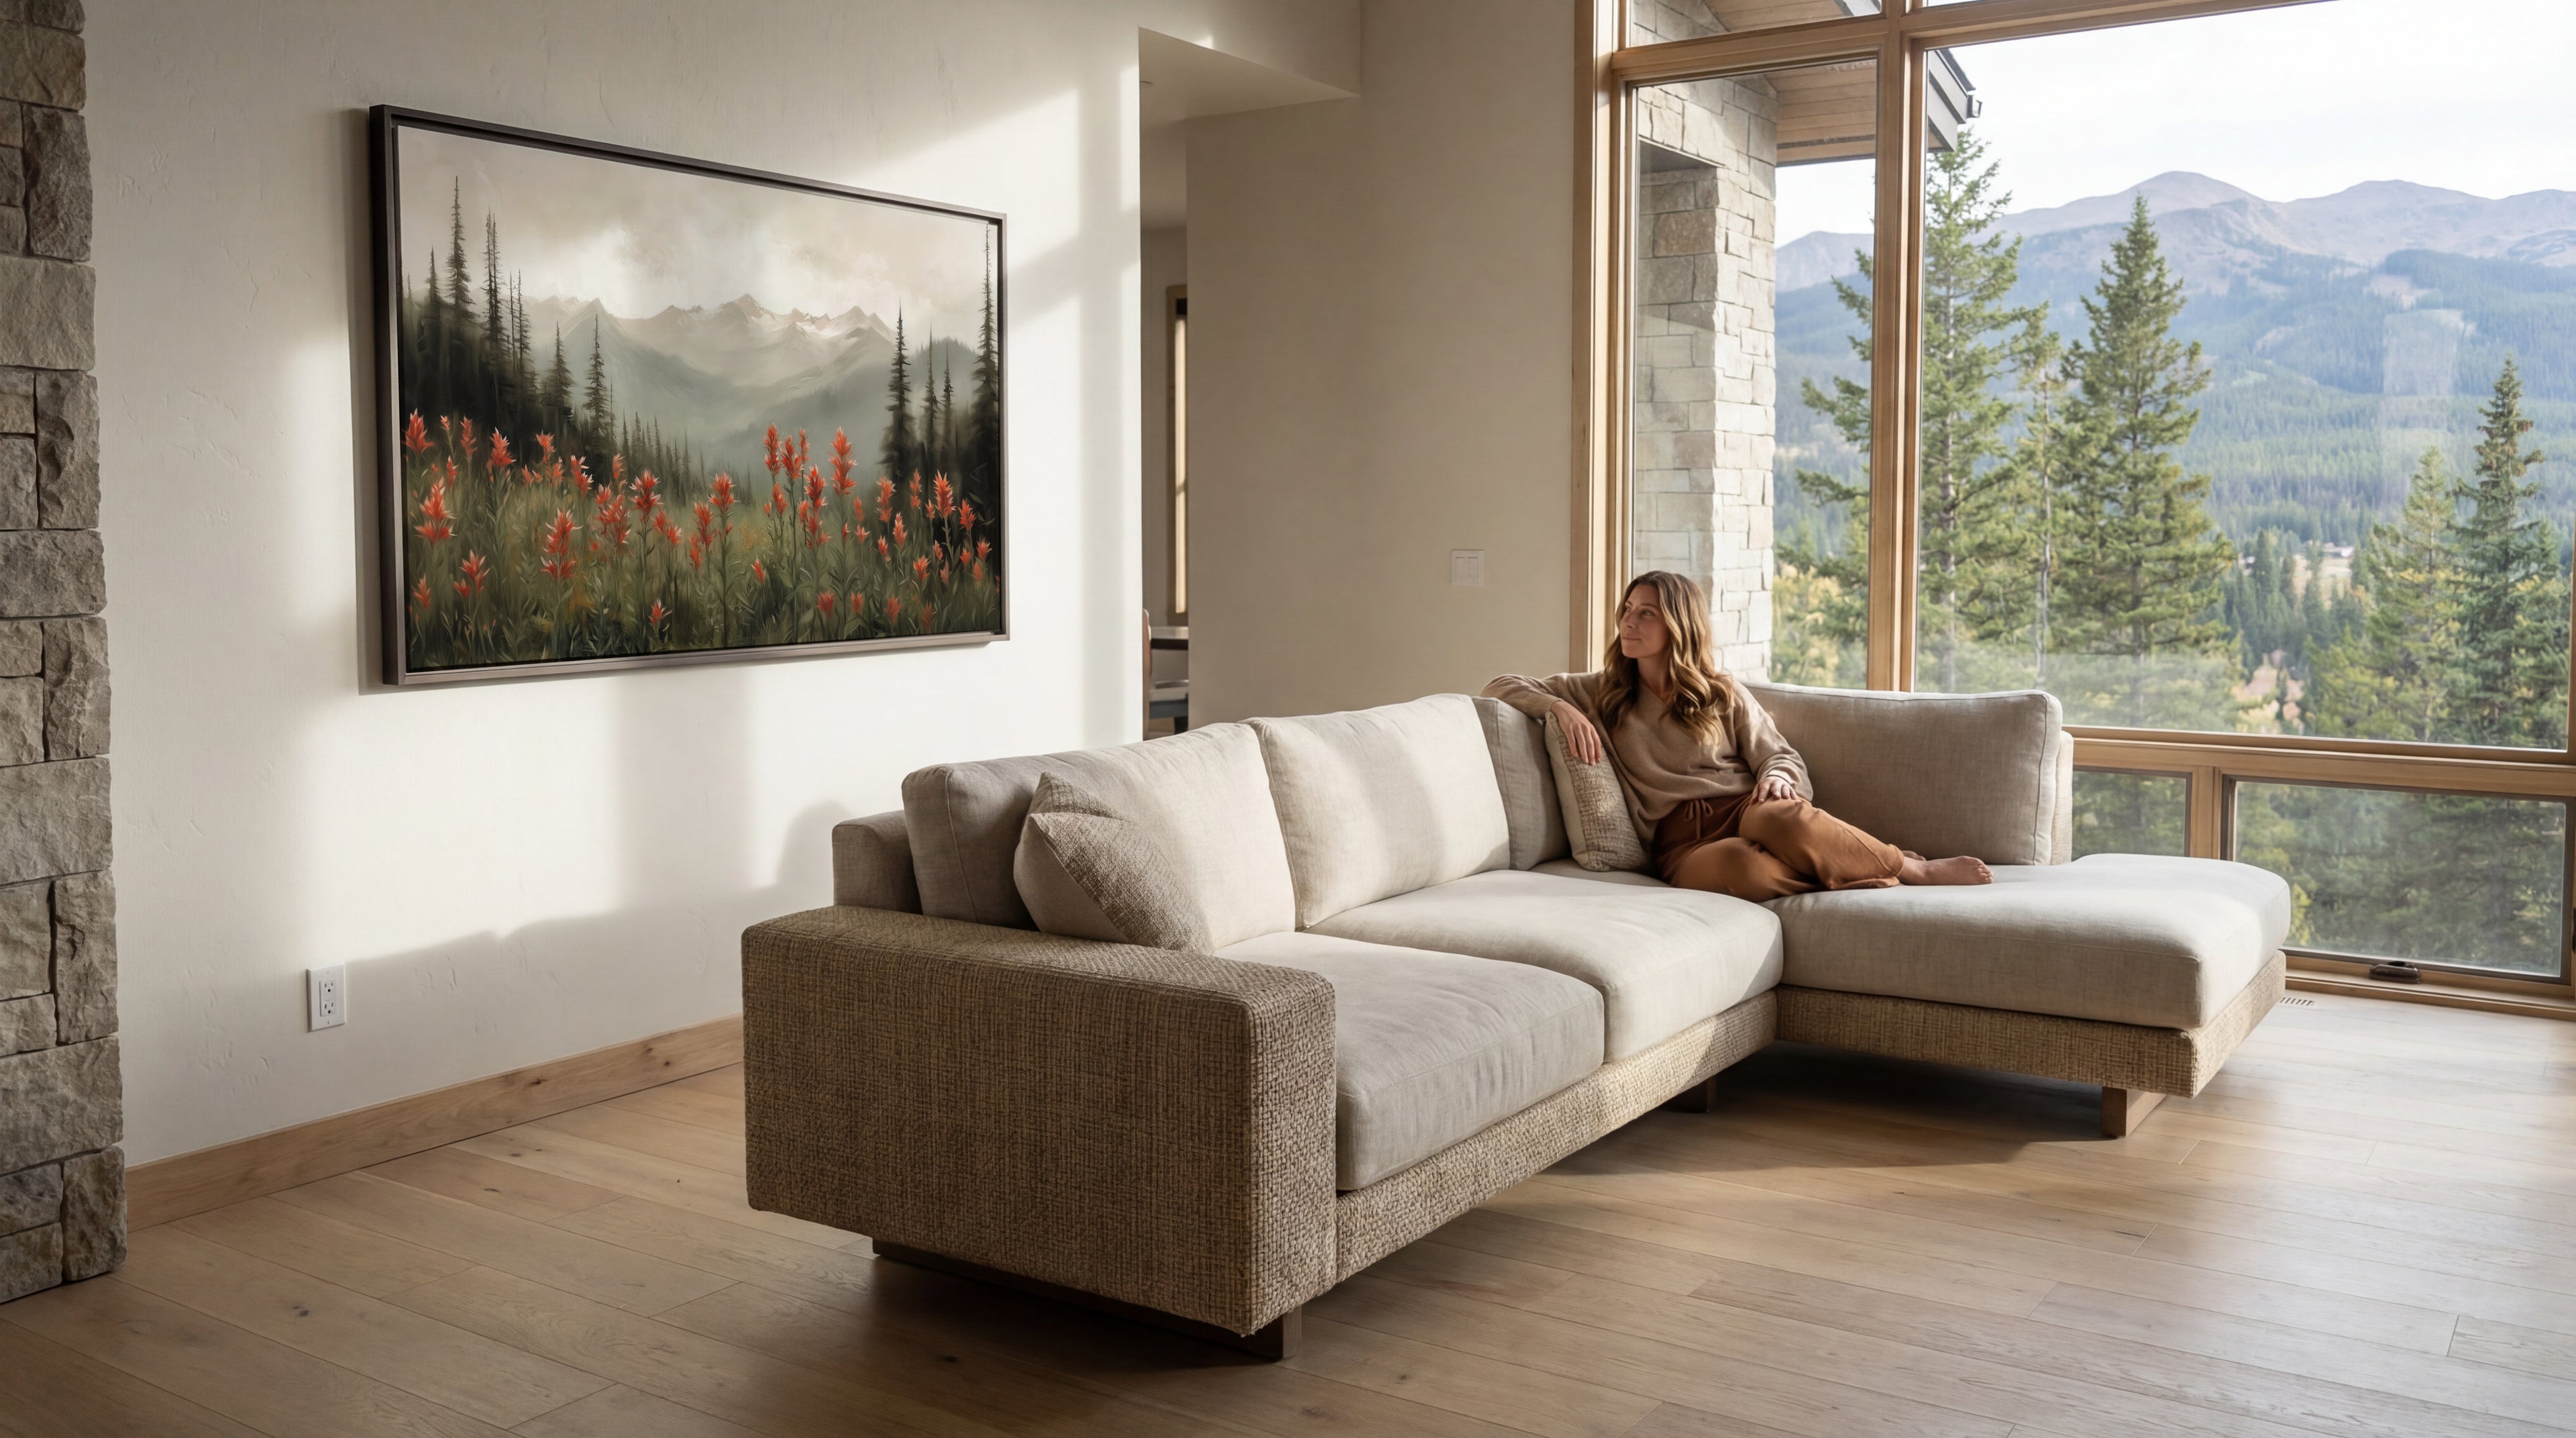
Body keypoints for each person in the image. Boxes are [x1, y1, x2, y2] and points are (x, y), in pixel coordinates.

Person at [1486, 570, 1991, 902]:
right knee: (1742, 869)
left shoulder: (1721, 693)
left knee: (1781, 815)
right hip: (1680, 843)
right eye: (1626, 609)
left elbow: (1782, 756)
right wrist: (1558, 707)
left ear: (1679, 625)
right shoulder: (1602, 692)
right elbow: (1501, 684)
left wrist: (1775, 777)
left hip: (1747, 811)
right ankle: (1860, 862)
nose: (1628, 622)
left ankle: (1910, 868)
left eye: (1646, 612)